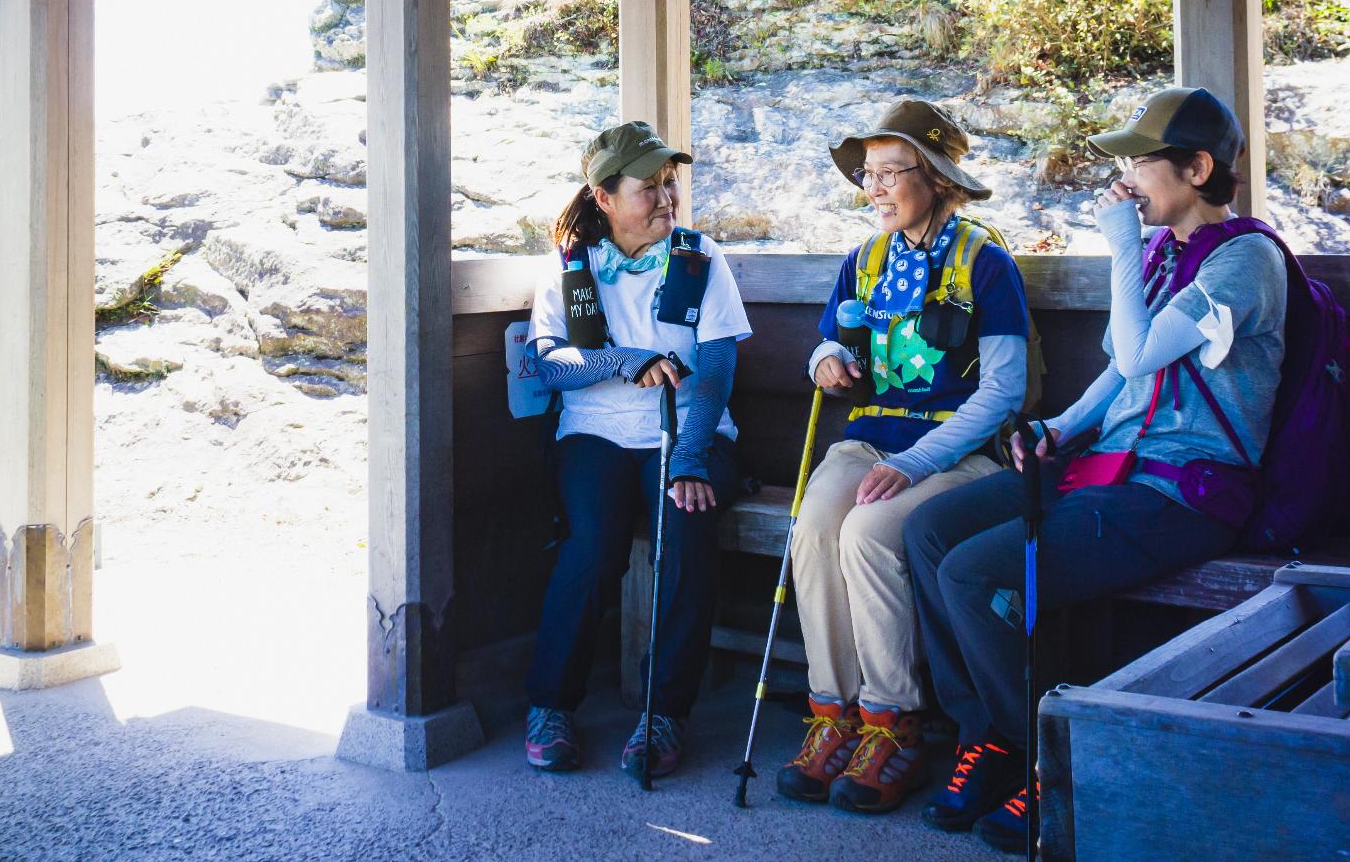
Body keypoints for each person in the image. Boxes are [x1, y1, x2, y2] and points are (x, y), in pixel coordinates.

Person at [902, 86, 1286, 853]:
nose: (1127, 177)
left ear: (1198, 167)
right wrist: (1059, 428)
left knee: (978, 573)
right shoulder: (1160, 254)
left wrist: (1116, 243)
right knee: (928, 530)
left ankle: (1052, 760)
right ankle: (994, 736)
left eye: (1142, 161)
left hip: (1184, 488)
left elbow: (1145, 351)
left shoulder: (1248, 259)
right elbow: (1121, 373)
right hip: (1109, 465)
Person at [776, 99, 1031, 815]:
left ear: (940, 178)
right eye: (868, 173)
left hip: (958, 452)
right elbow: (828, 341)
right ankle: (835, 714)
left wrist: (917, 462)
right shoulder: (865, 260)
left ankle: (896, 724)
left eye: (893, 172)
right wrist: (825, 360)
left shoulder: (986, 261)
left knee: (866, 531)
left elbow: (1005, 389)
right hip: (867, 442)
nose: (875, 188)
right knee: (816, 525)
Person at [521, 121, 753, 777]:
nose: (665, 198)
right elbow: (550, 365)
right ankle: (550, 704)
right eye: (646, 188)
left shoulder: (697, 257)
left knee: (685, 525)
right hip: (595, 434)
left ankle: (664, 712)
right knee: (592, 545)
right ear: (603, 197)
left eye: (668, 183)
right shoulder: (573, 267)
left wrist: (685, 457)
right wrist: (623, 358)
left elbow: (714, 369)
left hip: (691, 434)